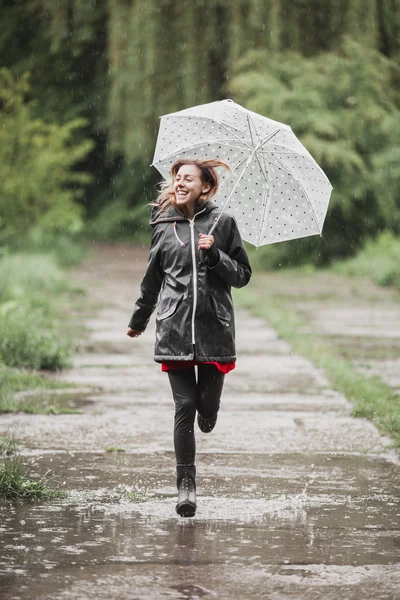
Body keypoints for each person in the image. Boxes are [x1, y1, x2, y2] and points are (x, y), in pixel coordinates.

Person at [127, 158, 252, 517]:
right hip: (174, 331)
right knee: (184, 406)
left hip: (215, 330)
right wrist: (140, 318)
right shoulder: (163, 223)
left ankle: (209, 415)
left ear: (206, 187)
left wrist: (215, 255)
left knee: (205, 412)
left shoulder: (224, 222)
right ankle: (186, 488)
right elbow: (153, 278)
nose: (180, 184)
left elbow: (242, 275)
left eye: (188, 179)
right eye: (177, 178)